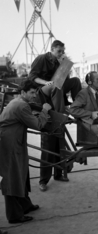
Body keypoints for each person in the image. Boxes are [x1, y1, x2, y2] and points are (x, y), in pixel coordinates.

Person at [28, 40, 82, 191]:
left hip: (56, 95)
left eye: (62, 51)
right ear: (52, 49)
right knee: (47, 144)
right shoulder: (41, 59)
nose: (61, 53)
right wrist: (46, 82)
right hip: (43, 93)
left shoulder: (59, 61)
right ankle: (43, 180)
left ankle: (59, 173)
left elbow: (63, 81)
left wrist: (64, 65)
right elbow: (32, 77)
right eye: (59, 51)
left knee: (60, 141)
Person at [0, 80, 51, 224]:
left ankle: (25, 205)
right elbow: (38, 125)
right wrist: (45, 110)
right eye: (32, 93)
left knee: (21, 173)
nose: (34, 96)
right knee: (12, 178)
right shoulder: (22, 106)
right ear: (23, 93)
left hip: (13, 142)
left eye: (35, 92)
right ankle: (14, 215)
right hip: (10, 145)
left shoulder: (17, 102)